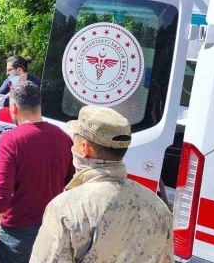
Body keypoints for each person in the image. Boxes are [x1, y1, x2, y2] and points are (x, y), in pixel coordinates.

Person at [29, 106, 173, 262]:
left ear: (85, 148)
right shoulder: (159, 208)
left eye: (74, 142)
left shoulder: (66, 208)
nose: (72, 147)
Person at [0, 81, 74, 262]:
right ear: (39, 105)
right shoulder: (63, 138)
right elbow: (72, 183)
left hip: (17, 234)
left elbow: (0, 194)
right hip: (52, 229)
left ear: (14, 108)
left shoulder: (11, 141)